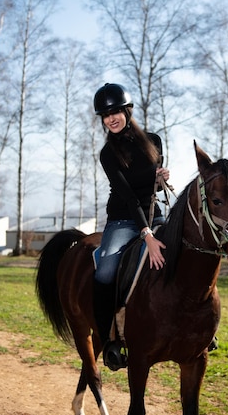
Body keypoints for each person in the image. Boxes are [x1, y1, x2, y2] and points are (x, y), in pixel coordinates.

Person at [92, 83, 170, 371]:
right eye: (105, 115)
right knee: (106, 270)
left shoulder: (154, 141)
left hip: (155, 212)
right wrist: (146, 235)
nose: (111, 118)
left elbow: (152, 184)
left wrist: (161, 178)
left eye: (115, 112)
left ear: (127, 111)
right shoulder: (108, 154)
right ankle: (108, 338)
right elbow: (128, 196)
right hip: (123, 219)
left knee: (184, 250)